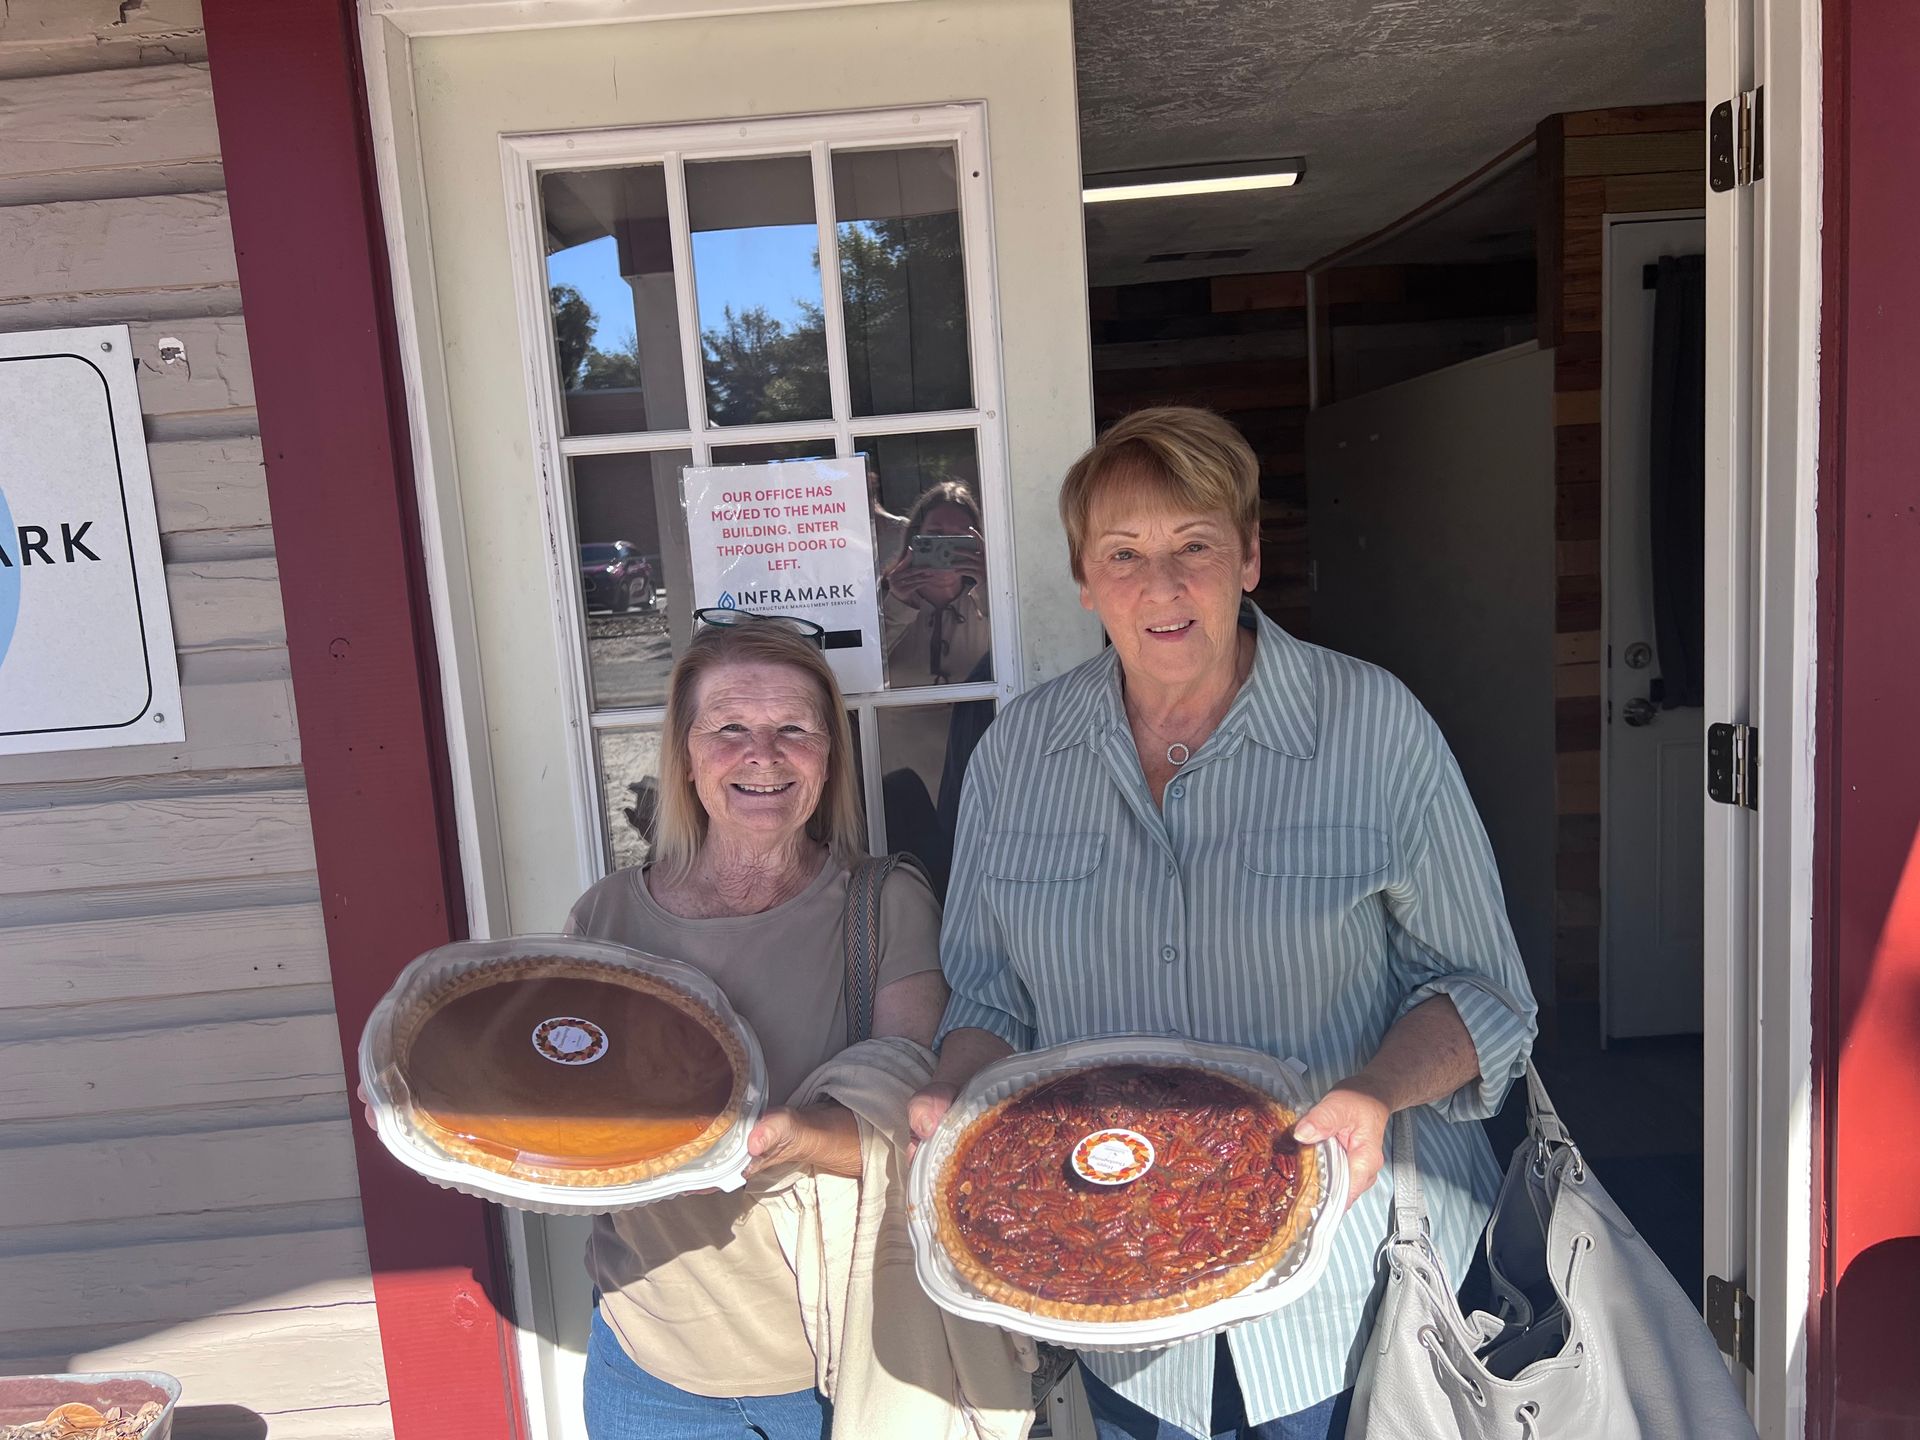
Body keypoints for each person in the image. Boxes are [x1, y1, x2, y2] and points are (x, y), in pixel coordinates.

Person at [907, 408, 1539, 1440]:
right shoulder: (1018, 758)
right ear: (1083, 577)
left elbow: (1483, 992)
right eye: (1124, 554)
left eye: (1193, 545)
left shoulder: (1373, 726)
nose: (1161, 586)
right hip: (1119, 1302)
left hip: (1359, 1300)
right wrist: (950, 1092)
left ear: (1248, 557)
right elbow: (989, 1000)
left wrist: (1375, 1093)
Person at [563, 616, 1030, 1440]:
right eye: (730, 729)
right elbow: (563, 1110)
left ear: (829, 756)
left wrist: (786, 1137)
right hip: (648, 1361)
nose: (763, 755)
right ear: (685, 753)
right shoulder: (606, 916)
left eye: (793, 731)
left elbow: (916, 1136)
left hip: (835, 1365)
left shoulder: (883, 906)